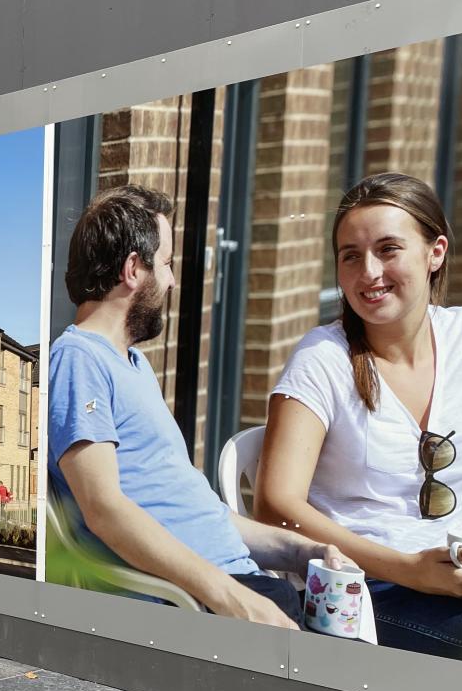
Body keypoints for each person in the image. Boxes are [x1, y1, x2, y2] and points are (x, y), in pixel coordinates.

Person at [255, 173, 462, 670]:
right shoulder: (322, 360)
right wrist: (412, 571)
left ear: (435, 252)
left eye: (388, 249)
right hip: (373, 593)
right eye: (351, 255)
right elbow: (274, 505)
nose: (369, 272)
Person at [48, 184, 352, 630]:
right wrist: (234, 599)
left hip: (246, 587)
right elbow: (104, 509)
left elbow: (201, 514)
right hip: (210, 605)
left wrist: (300, 551)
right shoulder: (79, 360)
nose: (171, 281)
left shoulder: (132, 364)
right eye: (167, 264)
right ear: (134, 268)